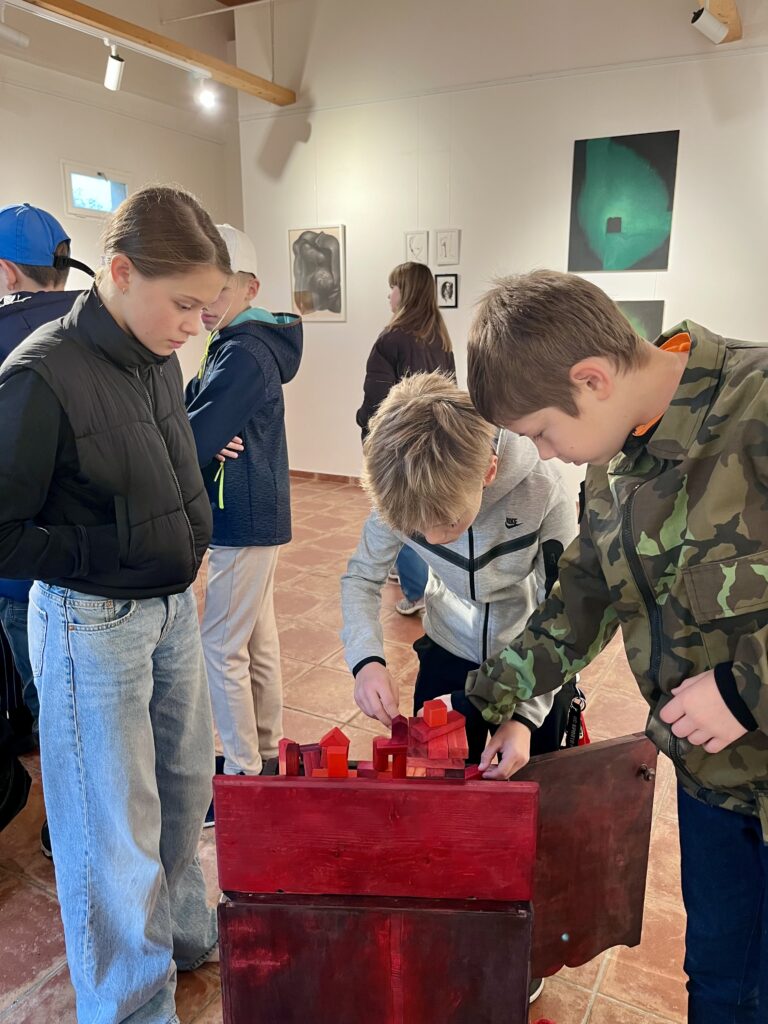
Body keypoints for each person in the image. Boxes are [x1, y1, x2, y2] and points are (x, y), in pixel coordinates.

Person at [465, 269, 768, 1021]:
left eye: (541, 431)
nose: (545, 453)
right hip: (712, 784)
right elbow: (584, 595)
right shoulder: (614, 461)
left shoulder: (757, 404)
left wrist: (747, 689)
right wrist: (494, 694)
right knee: (720, 981)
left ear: (592, 379)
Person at [0, 184, 231, 1024]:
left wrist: (184, 533)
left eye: (206, 307)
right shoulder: (38, 376)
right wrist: (107, 554)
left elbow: (160, 466)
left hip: (168, 610)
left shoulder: (156, 352)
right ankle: (131, 1007)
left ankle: (182, 936)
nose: (196, 325)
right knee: (112, 829)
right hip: (91, 626)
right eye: (185, 304)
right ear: (122, 273)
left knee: (182, 789)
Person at [341, 372, 579, 1008]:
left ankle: (518, 941)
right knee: (439, 801)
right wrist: (366, 660)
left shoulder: (545, 486)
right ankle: (452, 922)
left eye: (446, 521)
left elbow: (566, 614)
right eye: (419, 531)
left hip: (532, 658)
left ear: (489, 470)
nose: (435, 537)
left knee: (526, 814)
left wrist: (526, 716)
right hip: (446, 654)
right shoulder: (404, 487)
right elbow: (360, 578)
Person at [185, 224, 303, 808]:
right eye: (201, 289)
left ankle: (241, 776)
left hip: (243, 516)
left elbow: (195, 435)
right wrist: (200, 424)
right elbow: (196, 414)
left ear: (251, 287)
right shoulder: (238, 342)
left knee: (221, 645)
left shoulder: (243, 351)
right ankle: (262, 755)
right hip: (256, 512)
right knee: (254, 640)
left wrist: (201, 432)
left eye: (221, 290)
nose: (207, 304)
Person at [356, 262, 456, 616]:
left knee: (401, 515)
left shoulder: (391, 339)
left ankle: (417, 593)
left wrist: (364, 428)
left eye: (394, 287)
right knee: (423, 512)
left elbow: (376, 404)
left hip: (397, 445)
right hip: (435, 441)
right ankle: (409, 575)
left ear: (407, 292)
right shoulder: (440, 340)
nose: (389, 295)